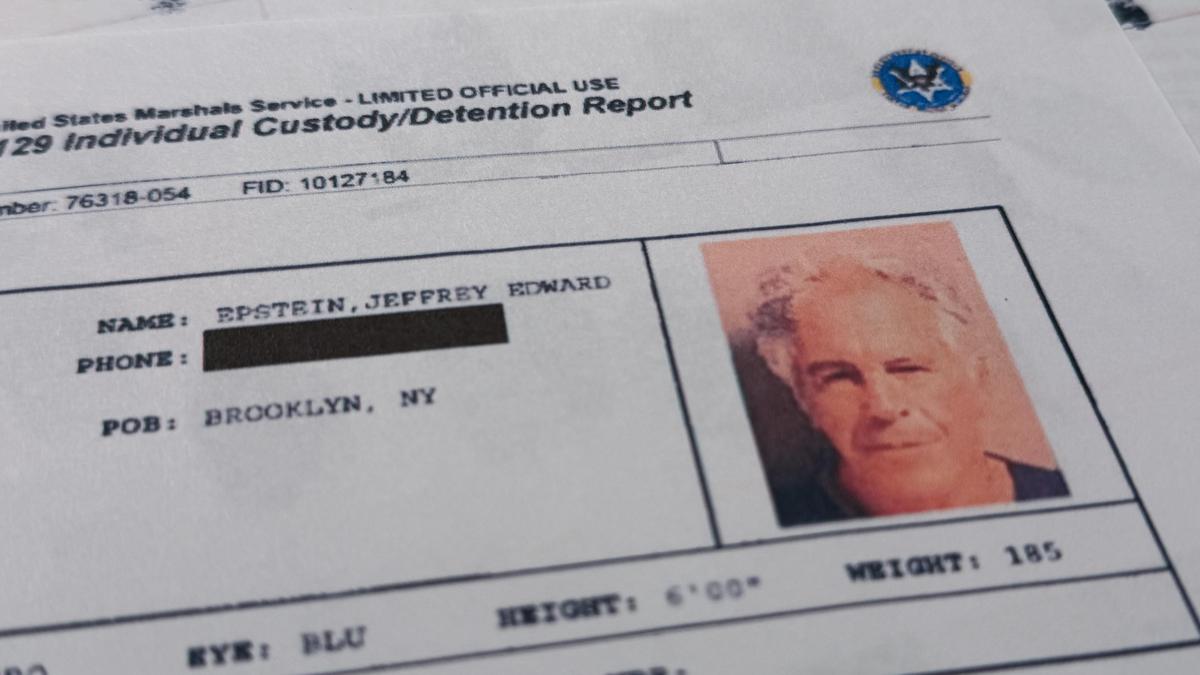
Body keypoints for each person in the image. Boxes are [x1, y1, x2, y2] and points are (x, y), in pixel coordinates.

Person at [751, 257, 1067, 518]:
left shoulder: (1065, 494)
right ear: (804, 398)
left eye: (908, 369)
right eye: (839, 377)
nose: (883, 407)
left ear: (978, 377)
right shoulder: (772, 517)